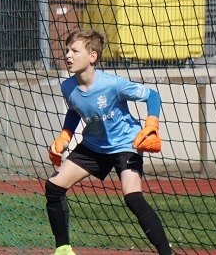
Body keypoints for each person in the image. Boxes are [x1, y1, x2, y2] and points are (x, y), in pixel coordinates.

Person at [45, 29, 173, 255]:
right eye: (67, 50)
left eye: (75, 51)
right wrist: (65, 136)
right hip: (93, 146)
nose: (68, 55)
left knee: (133, 197)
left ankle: (166, 253)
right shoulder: (67, 87)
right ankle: (63, 250)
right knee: (53, 187)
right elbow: (74, 110)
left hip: (125, 145)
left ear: (92, 56)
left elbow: (152, 96)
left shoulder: (113, 84)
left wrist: (151, 126)